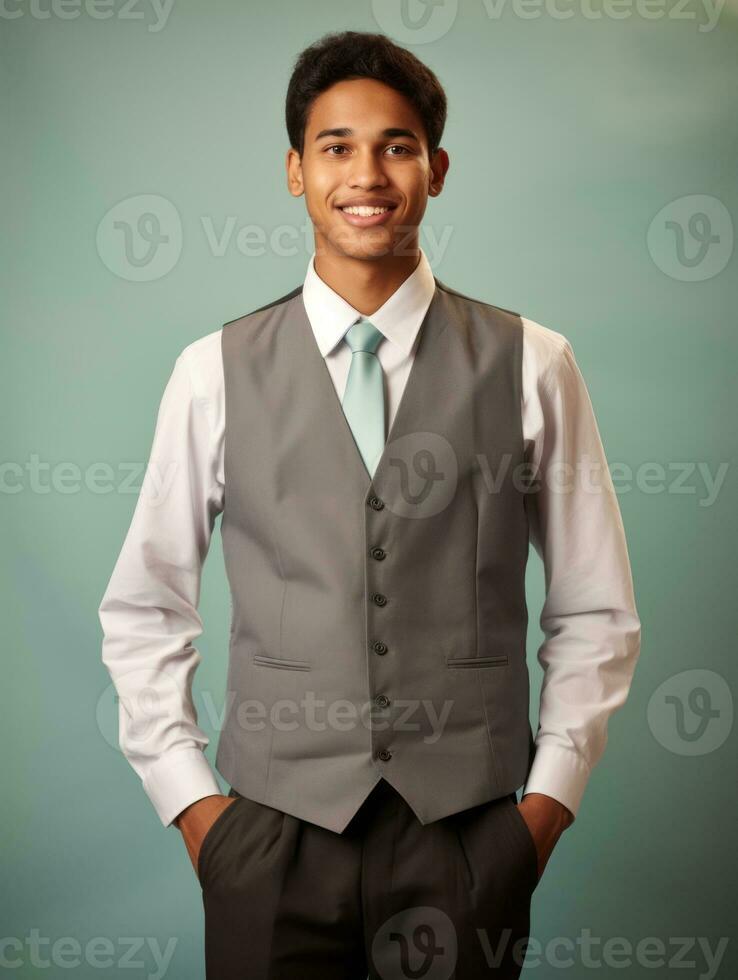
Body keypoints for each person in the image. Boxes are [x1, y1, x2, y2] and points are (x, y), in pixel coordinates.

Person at [99, 29, 641, 979]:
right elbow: (145, 607)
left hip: (468, 840)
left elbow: (596, 610)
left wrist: (541, 815)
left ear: (435, 169)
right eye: (336, 146)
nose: (368, 173)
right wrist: (198, 815)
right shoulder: (211, 372)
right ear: (295, 171)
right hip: (271, 840)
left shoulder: (534, 362)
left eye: (396, 146)